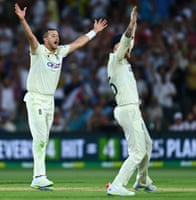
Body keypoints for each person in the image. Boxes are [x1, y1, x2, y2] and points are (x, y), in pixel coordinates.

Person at [14, 3, 108, 190]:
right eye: (53, 36)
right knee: (40, 138)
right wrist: (23, 20)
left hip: (50, 100)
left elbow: (77, 43)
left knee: (44, 139)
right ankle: (39, 176)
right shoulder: (38, 51)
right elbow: (30, 37)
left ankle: (37, 177)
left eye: (57, 35)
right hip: (35, 98)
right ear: (45, 39)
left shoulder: (60, 53)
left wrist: (93, 32)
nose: (57, 38)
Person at [106, 6, 157, 196]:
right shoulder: (115, 60)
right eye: (122, 46)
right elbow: (126, 38)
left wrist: (134, 24)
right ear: (115, 48)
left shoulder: (124, 61)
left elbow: (130, 40)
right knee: (137, 152)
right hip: (126, 109)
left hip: (132, 109)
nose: (127, 48)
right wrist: (131, 23)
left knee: (148, 145)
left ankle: (142, 180)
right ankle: (117, 185)